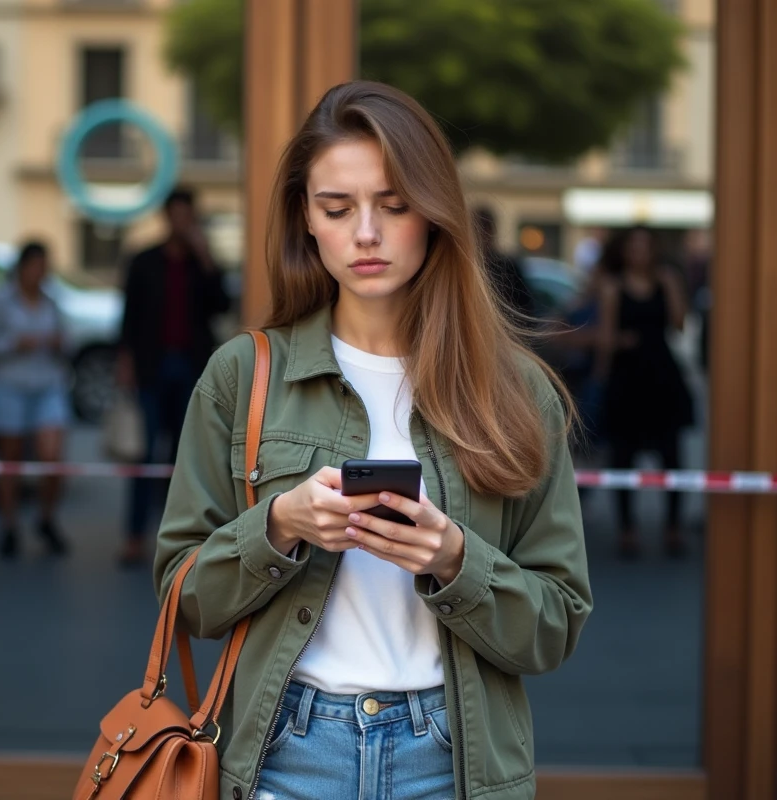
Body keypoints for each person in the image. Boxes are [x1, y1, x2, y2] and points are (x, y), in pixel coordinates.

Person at [154, 82, 591, 800]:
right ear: (306, 219)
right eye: (337, 207)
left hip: (451, 758)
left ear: (434, 214)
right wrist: (278, 527)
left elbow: (556, 625)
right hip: (284, 753)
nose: (366, 232)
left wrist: (456, 559)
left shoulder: (514, 389)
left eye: (393, 205)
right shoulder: (245, 375)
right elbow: (182, 596)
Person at [117, 187, 230, 566]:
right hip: (152, 365)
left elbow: (222, 306)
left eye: (188, 216)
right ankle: (134, 536)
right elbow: (128, 315)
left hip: (193, 368)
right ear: (167, 217)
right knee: (145, 454)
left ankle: (185, 541)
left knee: (188, 458)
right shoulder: (144, 261)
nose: (182, 222)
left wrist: (205, 256)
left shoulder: (203, 263)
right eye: (176, 215)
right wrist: (125, 360)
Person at [595, 226, 695, 559]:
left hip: (662, 375)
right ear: (624, 251)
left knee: (672, 454)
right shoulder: (613, 286)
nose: (639, 253)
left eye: (645, 247)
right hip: (627, 378)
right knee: (623, 455)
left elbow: (680, 324)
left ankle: (673, 526)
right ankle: (627, 528)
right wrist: (602, 375)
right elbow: (606, 339)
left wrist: (673, 285)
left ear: (654, 250)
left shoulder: (666, 280)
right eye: (633, 247)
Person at [0, 241, 71, 558]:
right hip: (10, 384)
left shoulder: (51, 301)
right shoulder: (1, 300)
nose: (39, 274)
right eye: (35, 267)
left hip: (47, 382)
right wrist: (14, 343)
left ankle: (45, 517)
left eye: (44, 268)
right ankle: (9, 525)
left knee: (52, 456)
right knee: (10, 457)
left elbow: (66, 341)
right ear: (22, 268)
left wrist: (58, 343)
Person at [472, 206, 537, 325]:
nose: (481, 236)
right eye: (477, 230)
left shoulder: (508, 267)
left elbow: (525, 308)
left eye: (484, 229)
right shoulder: (466, 266)